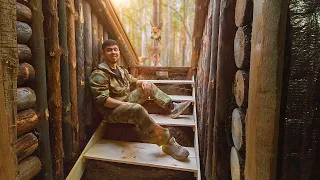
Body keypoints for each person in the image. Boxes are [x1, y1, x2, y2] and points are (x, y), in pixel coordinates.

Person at [89, 39, 191, 161]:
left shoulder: (122, 71)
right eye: (109, 50)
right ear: (103, 53)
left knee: (148, 85)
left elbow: (134, 81)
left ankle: (172, 107)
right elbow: (104, 101)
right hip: (111, 111)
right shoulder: (99, 74)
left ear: (119, 52)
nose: (113, 52)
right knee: (136, 109)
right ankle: (167, 142)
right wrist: (125, 104)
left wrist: (143, 83)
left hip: (125, 101)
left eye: (115, 49)